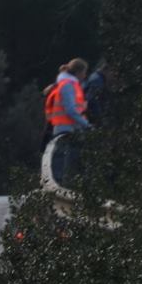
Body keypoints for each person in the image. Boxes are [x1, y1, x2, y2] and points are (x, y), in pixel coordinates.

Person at [41, 58, 91, 191]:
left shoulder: (68, 84)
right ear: (78, 72)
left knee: (64, 163)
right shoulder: (68, 85)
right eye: (84, 72)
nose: (85, 76)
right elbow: (70, 110)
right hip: (66, 129)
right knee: (63, 164)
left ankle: (61, 189)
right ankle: (59, 191)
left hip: (68, 129)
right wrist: (87, 125)